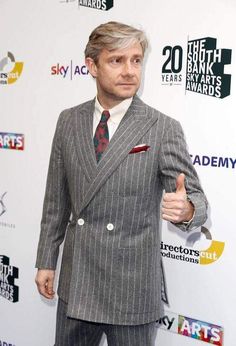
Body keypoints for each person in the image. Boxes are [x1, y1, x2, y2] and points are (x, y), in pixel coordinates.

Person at [35, 21, 207, 346]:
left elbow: (194, 197)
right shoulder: (68, 121)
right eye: (117, 60)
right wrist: (46, 260)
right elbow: (56, 202)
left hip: (131, 290)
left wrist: (187, 210)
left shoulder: (161, 128)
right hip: (78, 284)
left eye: (136, 60)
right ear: (92, 66)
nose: (130, 71)